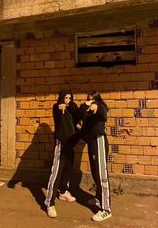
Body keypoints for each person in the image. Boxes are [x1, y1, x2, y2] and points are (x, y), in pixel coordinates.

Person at [45, 90, 81, 218]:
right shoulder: (58, 108)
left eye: (70, 98)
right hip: (61, 144)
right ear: (61, 98)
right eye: (65, 97)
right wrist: (60, 106)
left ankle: (63, 192)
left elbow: (78, 114)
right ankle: (49, 203)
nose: (67, 100)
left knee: (67, 169)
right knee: (56, 173)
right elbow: (57, 107)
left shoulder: (72, 110)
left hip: (70, 145)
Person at [80, 91, 112, 222]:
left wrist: (95, 105)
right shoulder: (88, 112)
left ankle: (106, 209)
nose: (90, 102)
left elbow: (102, 112)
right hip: (92, 142)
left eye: (92, 99)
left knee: (101, 175)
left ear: (97, 99)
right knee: (95, 172)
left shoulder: (101, 106)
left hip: (99, 141)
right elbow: (82, 114)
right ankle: (99, 198)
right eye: (88, 99)